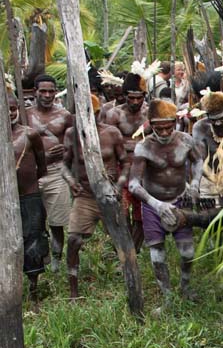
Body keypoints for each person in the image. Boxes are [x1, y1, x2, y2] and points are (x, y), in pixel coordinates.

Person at [129, 99, 203, 303]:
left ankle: (185, 287)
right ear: (151, 125)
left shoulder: (185, 140)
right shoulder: (144, 147)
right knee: (157, 254)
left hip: (180, 200)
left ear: (175, 123)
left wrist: (195, 184)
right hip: (153, 204)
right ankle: (168, 298)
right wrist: (157, 205)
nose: (163, 133)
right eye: (158, 129)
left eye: (168, 128)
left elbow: (198, 160)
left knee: (188, 252)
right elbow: (133, 185)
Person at [62, 95, 128, 299]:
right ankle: (74, 290)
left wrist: (118, 186)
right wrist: (71, 182)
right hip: (85, 196)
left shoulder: (112, 133)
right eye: (82, 114)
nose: (87, 118)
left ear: (99, 113)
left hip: (109, 195)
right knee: (73, 239)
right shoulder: (72, 134)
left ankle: (129, 280)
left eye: (92, 113)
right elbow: (64, 165)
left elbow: (125, 163)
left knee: (121, 239)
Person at [26, 74, 74, 272]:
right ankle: (37, 257)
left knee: (57, 221)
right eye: (43, 91)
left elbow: (75, 143)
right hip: (31, 174)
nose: (47, 95)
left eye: (51, 91)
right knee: (33, 220)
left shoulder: (64, 115)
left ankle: (56, 259)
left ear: (56, 92)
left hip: (56, 172)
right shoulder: (25, 114)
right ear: (35, 92)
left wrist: (66, 150)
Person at [9, 93, 49, 298]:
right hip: (6, 201)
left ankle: (34, 287)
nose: (10, 113)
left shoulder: (30, 135)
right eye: (5, 110)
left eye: (12, 109)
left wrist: (29, 186)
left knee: (33, 238)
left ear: (18, 109)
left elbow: (42, 166)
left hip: (29, 197)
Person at [105, 71, 149, 251]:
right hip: (121, 169)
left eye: (139, 98)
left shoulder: (150, 112)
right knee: (121, 212)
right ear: (124, 96)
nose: (136, 102)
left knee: (143, 214)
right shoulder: (114, 114)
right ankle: (125, 248)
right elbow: (109, 144)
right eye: (132, 98)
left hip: (144, 170)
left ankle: (134, 250)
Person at [192, 89, 223, 202]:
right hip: (210, 180)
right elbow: (199, 159)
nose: (218, 123)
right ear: (207, 115)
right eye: (213, 120)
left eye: (221, 118)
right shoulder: (200, 127)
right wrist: (196, 183)